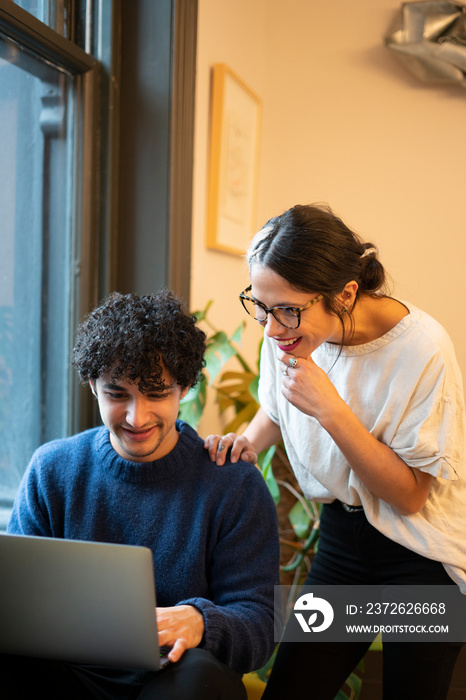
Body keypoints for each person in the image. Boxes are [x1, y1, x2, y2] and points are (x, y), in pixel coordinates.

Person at [204, 203, 466, 700]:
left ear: (345, 294)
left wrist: (333, 410)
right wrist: (247, 442)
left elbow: (410, 497)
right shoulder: (285, 329)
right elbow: (278, 408)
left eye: (287, 310)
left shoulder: (422, 349)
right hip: (344, 544)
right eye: (260, 306)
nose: (272, 328)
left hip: (421, 557)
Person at [3, 289, 280, 700]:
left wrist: (200, 621)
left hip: (176, 679)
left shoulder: (232, 484)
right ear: (93, 385)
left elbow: (260, 622)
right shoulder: (53, 470)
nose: (137, 417)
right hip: (71, 678)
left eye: (156, 393)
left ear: (184, 387)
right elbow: (14, 603)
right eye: (117, 394)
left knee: (199, 675)